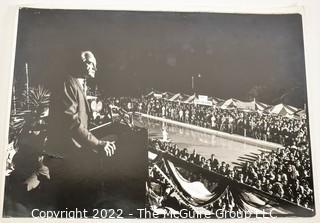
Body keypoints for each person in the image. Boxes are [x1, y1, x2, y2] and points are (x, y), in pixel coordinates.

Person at [45, 51, 116, 213]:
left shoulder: (74, 83)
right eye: (93, 64)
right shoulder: (68, 83)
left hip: (69, 156)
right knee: (70, 205)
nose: (95, 69)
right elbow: (71, 122)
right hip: (65, 158)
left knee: (72, 203)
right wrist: (98, 143)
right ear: (84, 62)